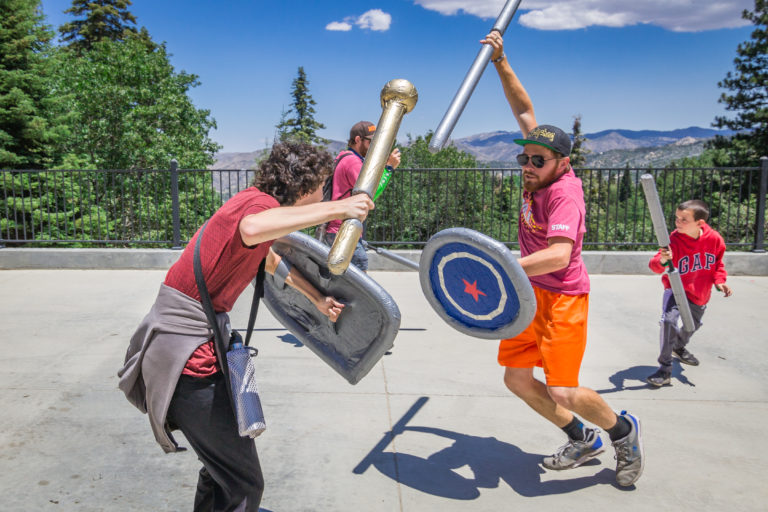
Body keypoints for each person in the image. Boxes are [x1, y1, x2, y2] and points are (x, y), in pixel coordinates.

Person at [117, 141, 374, 511]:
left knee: (219, 469)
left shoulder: (251, 201)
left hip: (188, 346)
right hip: (188, 357)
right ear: (305, 187)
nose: (325, 194)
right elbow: (254, 228)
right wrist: (340, 207)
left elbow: (267, 257)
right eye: (322, 188)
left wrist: (314, 297)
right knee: (244, 484)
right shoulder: (258, 208)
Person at [482, 31, 644, 487]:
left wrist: (502, 266)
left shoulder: (565, 195)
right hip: (530, 294)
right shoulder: (539, 168)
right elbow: (524, 111)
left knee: (563, 389)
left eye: (537, 160)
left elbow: (558, 255)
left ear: (561, 163)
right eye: (523, 157)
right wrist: (501, 61)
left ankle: (623, 432)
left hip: (563, 299)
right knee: (516, 379)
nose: (527, 166)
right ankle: (581, 437)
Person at [646, 199, 732, 387]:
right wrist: (662, 260)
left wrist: (720, 281)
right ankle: (664, 369)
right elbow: (654, 266)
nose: (678, 223)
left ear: (700, 223)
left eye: (684, 219)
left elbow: (718, 264)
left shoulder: (714, 239)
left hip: (699, 294)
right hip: (675, 291)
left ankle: (678, 346)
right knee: (669, 323)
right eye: (677, 218)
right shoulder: (674, 240)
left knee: (691, 327)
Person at [323, 120, 401, 271]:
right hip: (345, 231)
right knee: (358, 283)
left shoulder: (344, 156)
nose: (375, 146)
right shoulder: (353, 162)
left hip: (337, 230)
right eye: (372, 142)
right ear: (358, 140)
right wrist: (389, 169)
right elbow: (369, 195)